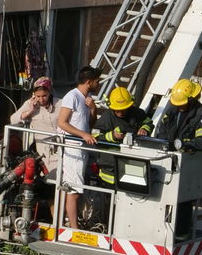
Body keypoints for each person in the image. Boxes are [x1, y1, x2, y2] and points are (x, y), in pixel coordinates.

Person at [55, 64, 102, 229]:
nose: (99, 84)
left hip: (82, 148)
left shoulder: (86, 99)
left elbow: (88, 124)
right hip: (73, 148)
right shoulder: (72, 96)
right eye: (97, 81)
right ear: (89, 82)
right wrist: (83, 135)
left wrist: (93, 110)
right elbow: (62, 122)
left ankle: (74, 223)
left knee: (77, 189)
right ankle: (73, 228)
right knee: (73, 191)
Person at [92, 84, 146, 188]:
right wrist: (112, 136)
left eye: (124, 109)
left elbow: (147, 122)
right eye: (117, 109)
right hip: (110, 169)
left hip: (131, 165)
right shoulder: (107, 117)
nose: (121, 112)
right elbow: (95, 135)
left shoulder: (137, 113)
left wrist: (144, 129)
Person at [148, 76, 202, 152]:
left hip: (187, 158)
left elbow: (201, 143)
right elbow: (163, 130)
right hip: (166, 153)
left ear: (192, 99)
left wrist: (183, 145)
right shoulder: (173, 109)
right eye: (178, 104)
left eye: (182, 104)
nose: (179, 106)